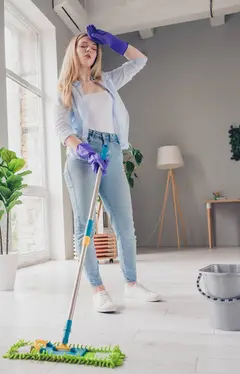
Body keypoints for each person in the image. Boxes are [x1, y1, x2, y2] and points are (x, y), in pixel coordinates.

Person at [55, 25, 161, 313]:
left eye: (94, 46)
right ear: (73, 53)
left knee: (124, 222)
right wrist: (83, 149)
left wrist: (113, 42)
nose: (90, 49)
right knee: (84, 226)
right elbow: (62, 128)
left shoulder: (109, 81)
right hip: (82, 157)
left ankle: (131, 284)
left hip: (112, 151)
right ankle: (98, 289)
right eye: (83, 46)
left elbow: (139, 61)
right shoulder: (65, 89)